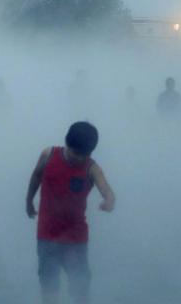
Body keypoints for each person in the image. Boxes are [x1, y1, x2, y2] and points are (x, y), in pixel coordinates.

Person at [26, 122, 115, 304]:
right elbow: (36, 176)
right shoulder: (48, 155)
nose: (79, 158)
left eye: (85, 155)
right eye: (76, 153)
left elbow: (107, 190)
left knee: (80, 286)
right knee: (49, 286)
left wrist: (109, 201)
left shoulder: (91, 168)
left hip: (75, 238)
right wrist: (28, 200)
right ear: (67, 143)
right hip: (47, 235)